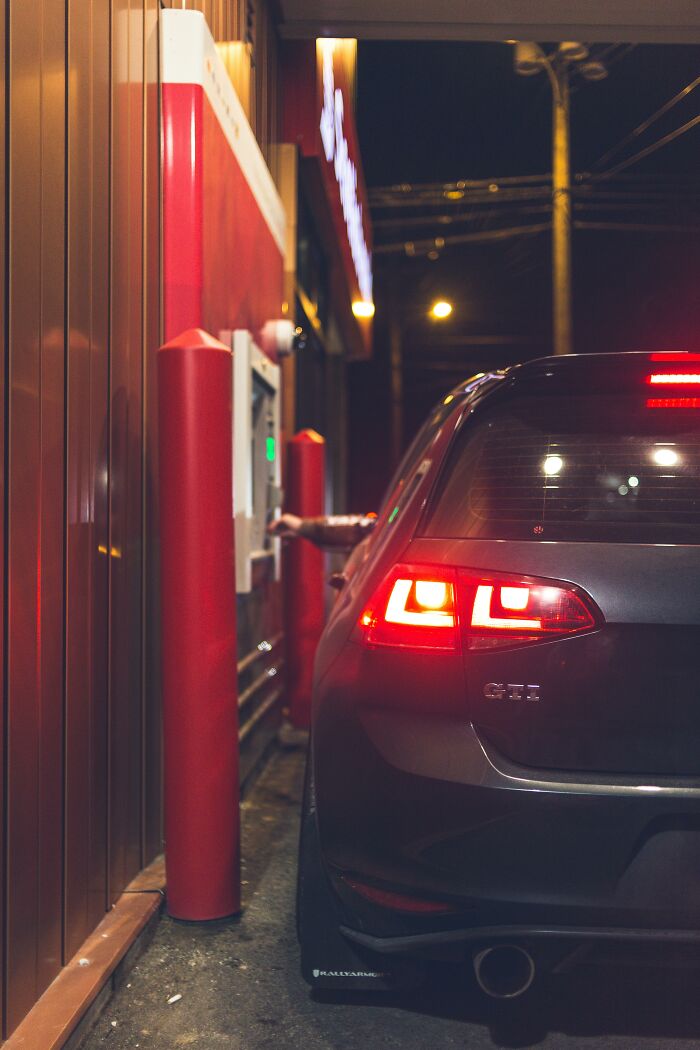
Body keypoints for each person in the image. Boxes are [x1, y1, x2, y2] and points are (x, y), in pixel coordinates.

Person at [268, 512, 376, 550]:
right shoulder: (365, 526)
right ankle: (275, 524)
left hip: (328, 532)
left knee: (300, 530)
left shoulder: (364, 528)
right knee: (300, 526)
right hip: (326, 529)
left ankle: (275, 529)